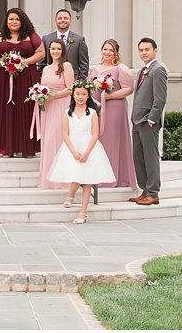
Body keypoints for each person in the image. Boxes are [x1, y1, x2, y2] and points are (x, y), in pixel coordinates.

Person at [47, 83, 114, 224]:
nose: (80, 97)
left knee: (87, 178)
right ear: (73, 95)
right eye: (78, 94)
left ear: (88, 95)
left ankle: (83, 212)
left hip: (89, 147)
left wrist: (87, 153)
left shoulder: (92, 113)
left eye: (83, 94)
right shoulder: (67, 113)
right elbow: (65, 134)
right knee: (76, 173)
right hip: (72, 147)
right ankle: (71, 196)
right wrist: (73, 151)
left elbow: (95, 134)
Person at [0, 8, 44, 157]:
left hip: (27, 78)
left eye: (17, 19)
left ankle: (28, 149)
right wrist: (5, 63)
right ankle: (7, 148)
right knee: (7, 111)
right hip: (4, 79)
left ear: (22, 21)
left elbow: (41, 53)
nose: (14, 22)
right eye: (11, 19)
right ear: (6, 21)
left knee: (27, 110)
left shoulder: (31, 36)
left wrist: (23, 63)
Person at [91, 38, 136, 190]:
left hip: (114, 106)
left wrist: (110, 96)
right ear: (101, 50)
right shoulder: (95, 69)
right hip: (97, 108)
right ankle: (98, 174)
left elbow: (129, 88)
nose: (107, 52)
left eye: (111, 50)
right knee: (99, 139)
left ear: (116, 53)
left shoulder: (120, 68)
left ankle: (114, 176)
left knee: (112, 139)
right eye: (105, 49)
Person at [129, 38, 168, 205]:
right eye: (141, 50)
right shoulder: (142, 71)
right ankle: (145, 191)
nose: (144, 52)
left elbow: (160, 98)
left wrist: (152, 118)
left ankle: (153, 193)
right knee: (139, 157)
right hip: (137, 121)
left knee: (150, 158)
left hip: (148, 121)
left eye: (147, 49)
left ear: (155, 51)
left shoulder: (158, 70)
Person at [37, 39, 75, 189]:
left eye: (58, 49)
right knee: (47, 141)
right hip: (48, 108)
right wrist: (39, 97)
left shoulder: (66, 66)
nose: (55, 51)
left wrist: (52, 96)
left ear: (63, 50)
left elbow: (71, 88)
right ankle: (49, 178)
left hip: (61, 106)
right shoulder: (46, 69)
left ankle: (62, 180)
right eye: (53, 48)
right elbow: (43, 88)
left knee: (58, 139)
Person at [42, 9, 89, 85]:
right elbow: (42, 63)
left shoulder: (79, 39)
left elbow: (84, 64)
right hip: (52, 83)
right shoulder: (46, 39)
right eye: (60, 18)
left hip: (73, 82)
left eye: (65, 18)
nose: (62, 20)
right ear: (55, 20)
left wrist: (78, 83)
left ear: (70, 20)